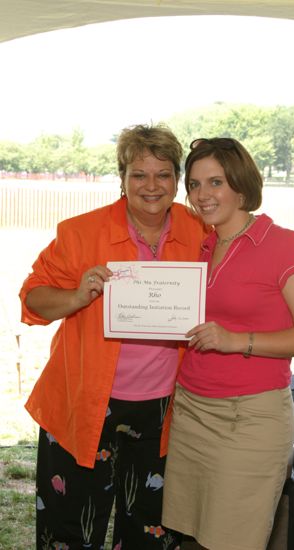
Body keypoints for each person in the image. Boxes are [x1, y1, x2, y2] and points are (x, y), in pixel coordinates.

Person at [19, 124, 208, 550]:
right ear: (121, 178)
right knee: (71, 529)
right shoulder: (80, 233)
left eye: (163, 174)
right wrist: (76, 295)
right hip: (83, 403)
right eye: (139, 174)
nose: (151, 186)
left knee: (149, 529)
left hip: (163, 409)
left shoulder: (201, 234)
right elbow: (32, 300)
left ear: (177, 180)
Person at [162, 137, 294, 550]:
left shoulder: (287, 246)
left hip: (250, 418)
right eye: (195, 185)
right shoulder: (202, 246)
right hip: (191, 411)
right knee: (193, 535)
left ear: (241, 185)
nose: (203, 195)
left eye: (215, 182)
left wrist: (236, 340)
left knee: (233, 539)